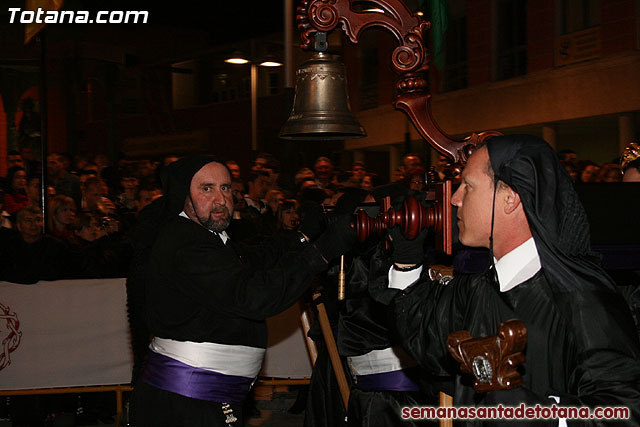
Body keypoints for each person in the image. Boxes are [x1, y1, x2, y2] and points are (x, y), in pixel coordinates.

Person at [377, 135, 640, 425]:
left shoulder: (583, 298)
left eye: (468, 186)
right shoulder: (477, 285)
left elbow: (624, 409)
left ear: (510, 198)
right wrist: (406, 259)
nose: (455, 198)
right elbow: (425, 341)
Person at [128, 157, 355, 427]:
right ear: (183, 196)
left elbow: (256, 257)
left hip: (209, 396)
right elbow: (254, 297)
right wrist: (322, 253)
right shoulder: (185, 245)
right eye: (207, 188)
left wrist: (304, 237)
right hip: (188, 401)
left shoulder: (205, 237)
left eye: (225, 188)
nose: (221, 199)